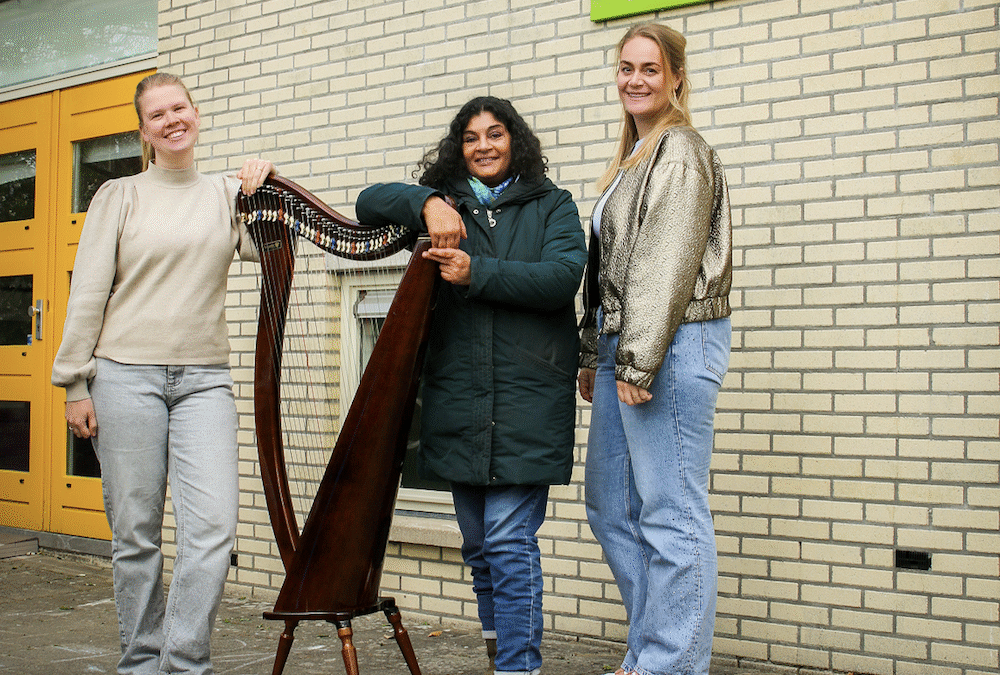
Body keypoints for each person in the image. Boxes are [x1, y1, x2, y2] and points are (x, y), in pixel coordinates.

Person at [51, 72, 276, 675]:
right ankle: (141, 664)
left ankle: (184, 661)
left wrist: (263, 189)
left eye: (180, 107)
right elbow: (88, 294)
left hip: (204, 381)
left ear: (196, 113)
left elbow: (274, 252)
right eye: (157, 115)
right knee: (137, 537)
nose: (172, 120)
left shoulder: (227, 194)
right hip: (124, 378)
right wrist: (75, 383)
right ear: (143, 131)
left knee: (214, 532)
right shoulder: (117, 196)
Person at [356, 96, 587, 675]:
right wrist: (430, 201)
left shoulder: (553, 205)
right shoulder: (445, 206)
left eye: (496, 134)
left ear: (517, 142)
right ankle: (498, 653)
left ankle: (518, 667)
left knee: (510, 545)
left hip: (526, 405)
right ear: (459, 147)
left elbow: (561, 278)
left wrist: (476, 271)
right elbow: (366, 204)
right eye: (471, 137)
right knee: (481, 548)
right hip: (459, 405)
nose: (483, 145)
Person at [577, 23, 733, 675]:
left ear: (675, 78)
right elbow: (608, 267)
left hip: (671, 342)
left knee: (671, 512)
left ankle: (671, 661)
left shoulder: (680, 150)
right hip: (626, 343)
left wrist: (637, 359)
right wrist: (594, 353)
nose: (634, 78)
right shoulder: (634, 158)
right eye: (625, 67)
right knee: (611, 504)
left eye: (649, 67)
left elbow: (665, 262)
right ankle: (652, 646)